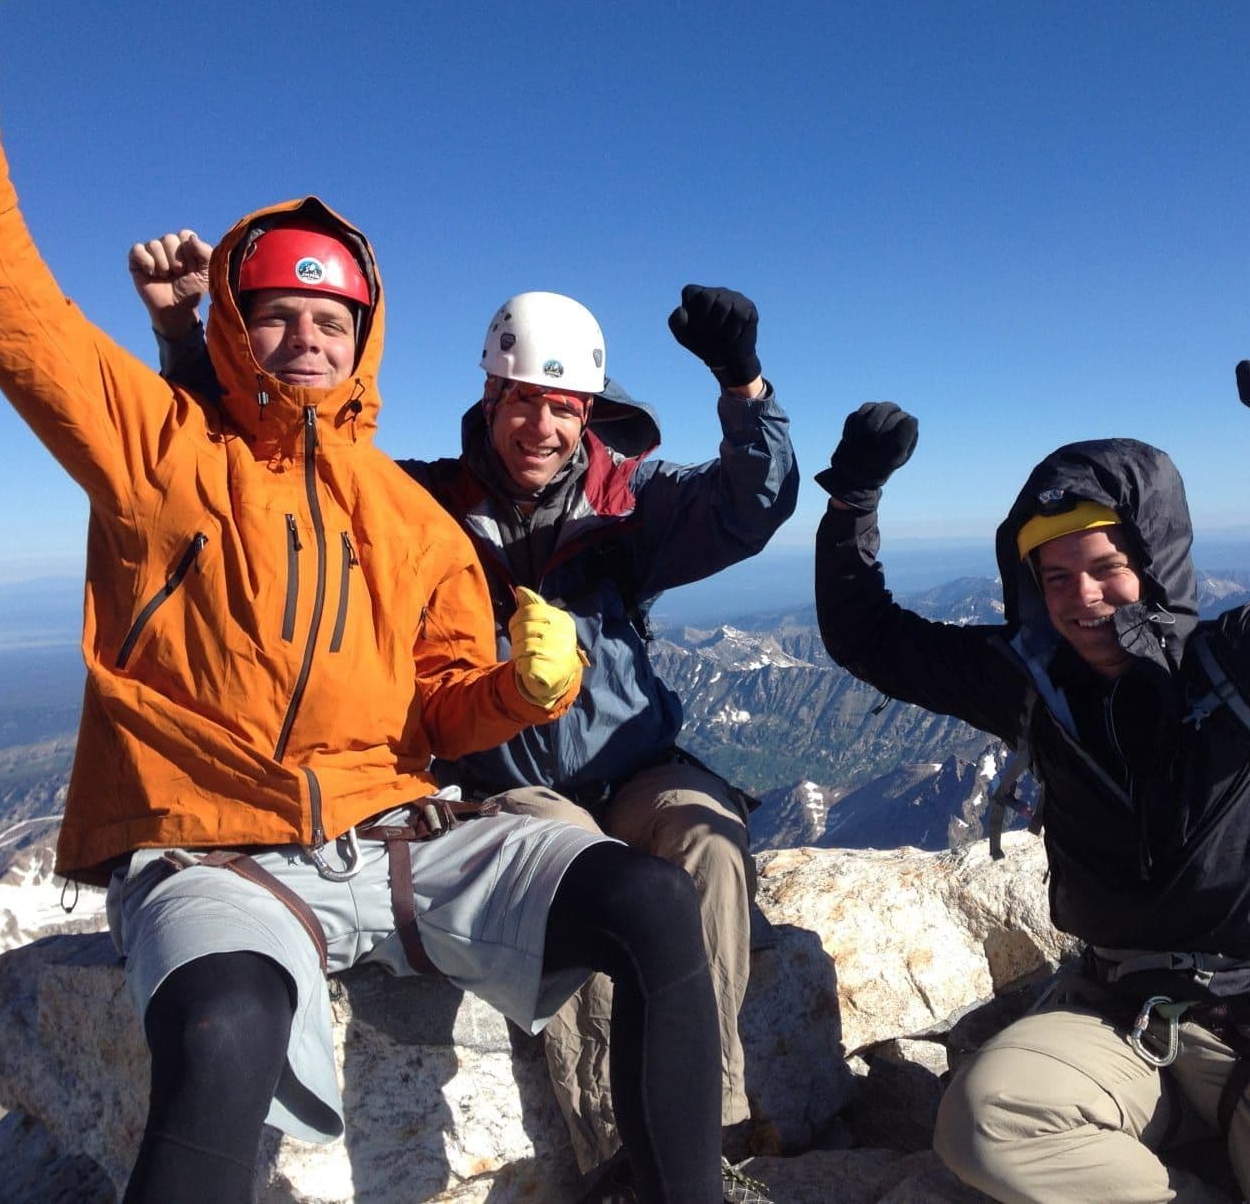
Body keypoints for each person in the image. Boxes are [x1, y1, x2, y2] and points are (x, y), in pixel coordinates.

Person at [0, 0, 729, 1202]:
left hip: (398, 840)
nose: (303, 337)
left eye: (330, 319)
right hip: (212, 853)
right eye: (276, 311)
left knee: (656, 909)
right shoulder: (158, 451)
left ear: (363, 339)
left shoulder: (406, 514)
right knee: (223, 1025)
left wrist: (519, 690)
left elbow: (441, 708)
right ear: (235, 326)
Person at [136, 242, 797, 1194]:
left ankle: (707, 1126)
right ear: (489, 401)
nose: (541, 424)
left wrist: (741, 382)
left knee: (712, 852)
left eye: (562, 406)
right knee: (576, 872)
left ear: (588, 417)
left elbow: (752, 502)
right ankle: (617, 1147)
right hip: (508, 777)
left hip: (638, 762)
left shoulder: (629, 508)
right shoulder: (418, 503)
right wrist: (183, 341)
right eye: (522, 400)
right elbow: (259, 464)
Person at [813, 328, 1250, 1202]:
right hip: (1114, 1011)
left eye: (1107, 567)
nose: (1082, 598)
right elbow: (865, 636)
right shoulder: (1025, 684)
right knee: (984, 1120)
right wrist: (851, 504)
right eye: (1054, 578)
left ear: (1155, 561)